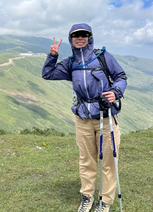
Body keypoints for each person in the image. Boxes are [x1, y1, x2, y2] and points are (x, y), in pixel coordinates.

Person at [42, 23, 127, 212]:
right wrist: (53, 56)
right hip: (82, 119)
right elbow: (47, 74)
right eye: (76, 35)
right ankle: (87, 197)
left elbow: (121, 76)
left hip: (106, 117)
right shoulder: (70, 62)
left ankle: (105, 201)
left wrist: (115, 91)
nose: (80, 38)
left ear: (90, 37)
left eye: (84, 35)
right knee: (86, 160)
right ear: (71, 39)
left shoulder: (103, 57)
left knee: (108, 162)